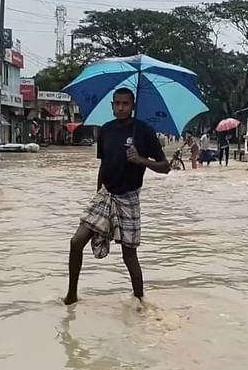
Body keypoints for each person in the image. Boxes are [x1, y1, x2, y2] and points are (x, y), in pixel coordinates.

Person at [64, 87, 170, 306]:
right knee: (76, 242)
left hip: (129, 198)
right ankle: (71, 295)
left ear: (133, 106)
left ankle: (140, 301)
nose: (121, 108)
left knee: (129, 256)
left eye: (126, 104)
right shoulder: (106, 130)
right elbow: (104, 164)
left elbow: (165, 166)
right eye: (117, 104)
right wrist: (98, 193)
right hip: (106, 195)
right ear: (112, 106)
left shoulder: (144, 132)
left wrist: (142, 160)